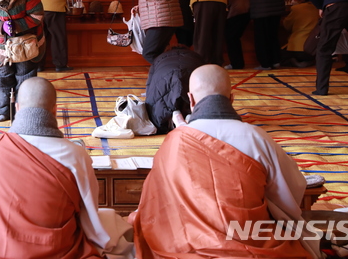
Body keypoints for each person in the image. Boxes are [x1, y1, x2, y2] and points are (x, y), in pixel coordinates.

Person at [0, 77, 134, 259]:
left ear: (17, 108)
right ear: (54, 110)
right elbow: (90, 218)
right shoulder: (74, 154)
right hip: (52, 249)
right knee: (115, 225)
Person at [132, 65, 320, 259]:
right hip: (250, 242)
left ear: (191, 100)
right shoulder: (256, 138)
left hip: (184, 245)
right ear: (231, 98)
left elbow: (157, 205)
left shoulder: (174, 141)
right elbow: (292, 191)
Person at [144, 45, 204, 134]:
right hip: (191, 75)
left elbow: (150, 84)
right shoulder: (197, 57)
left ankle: (175, 115)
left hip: (165, 76)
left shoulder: (159, 58)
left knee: (162, 97)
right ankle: (188, 115)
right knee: (189, 92)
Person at [281, 0, 319, 67]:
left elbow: (286, 26)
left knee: (280, 57)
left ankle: (296, 62)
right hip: (314, 48)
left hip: (297, 48)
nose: (294, 0)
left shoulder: (296, 8)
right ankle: (308, 62)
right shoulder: (317, 8)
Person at [223, 0, 250, 69]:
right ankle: (237, 63)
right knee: (233, 37)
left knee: (231, 37)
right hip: (245, 9)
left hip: (239, 10)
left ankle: (236, 64)